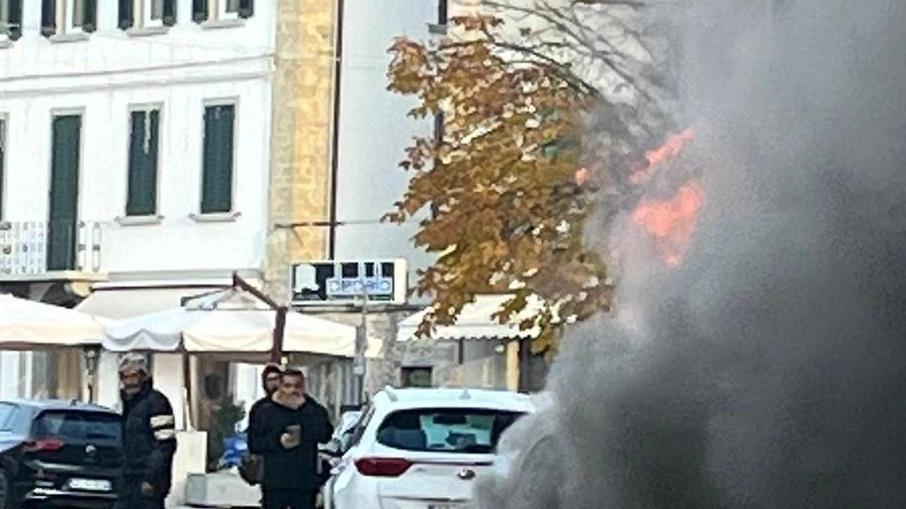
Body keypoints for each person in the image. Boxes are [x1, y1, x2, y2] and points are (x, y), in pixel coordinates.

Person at [251, 366, 333, 509]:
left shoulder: (313, 410)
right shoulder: (264, 411)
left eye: (297, 386)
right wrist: (278, 442)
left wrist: (306, 429)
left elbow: (325, 435)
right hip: (275, 482)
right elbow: (254, 443)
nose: (292, 390)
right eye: (288, 386)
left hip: (304, 481)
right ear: (280, 386)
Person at [116, 353, 178, 509]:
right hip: (129, 479)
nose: (128, 381)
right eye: (124, 376)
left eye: (133, 375)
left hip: (148, 484)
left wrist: (150, 478)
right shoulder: (129, 405)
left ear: (143, 376)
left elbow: (165, 445)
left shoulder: (157, 403)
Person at [242, 364, 283, 486]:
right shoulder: (259, 408)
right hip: (269, 469)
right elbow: (253, 442)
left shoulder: (294, 405)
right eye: (270, 380)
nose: (274, 384)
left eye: (277, 379)